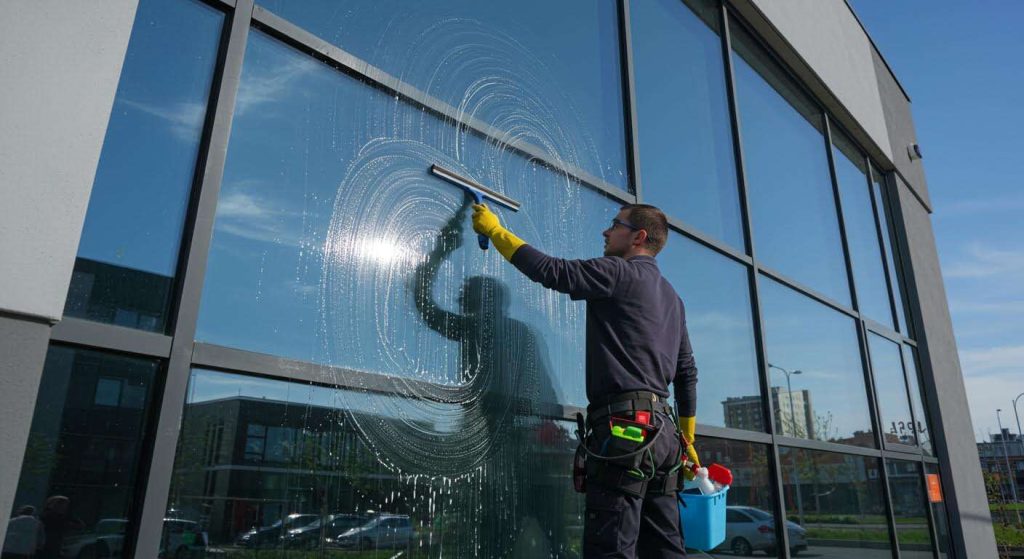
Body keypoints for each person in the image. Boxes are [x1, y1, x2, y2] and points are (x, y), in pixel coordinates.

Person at [470, 202, 699, 558]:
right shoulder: (674, 298)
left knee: (611, 546)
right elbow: (686, 374)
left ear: (638, 236)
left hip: (627, 431)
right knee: (665, 547)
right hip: (664, 437)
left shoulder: (619, 272)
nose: (605, 232)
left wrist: (496, 231)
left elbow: (551, 272)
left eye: (614, 225)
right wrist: (687, 437)